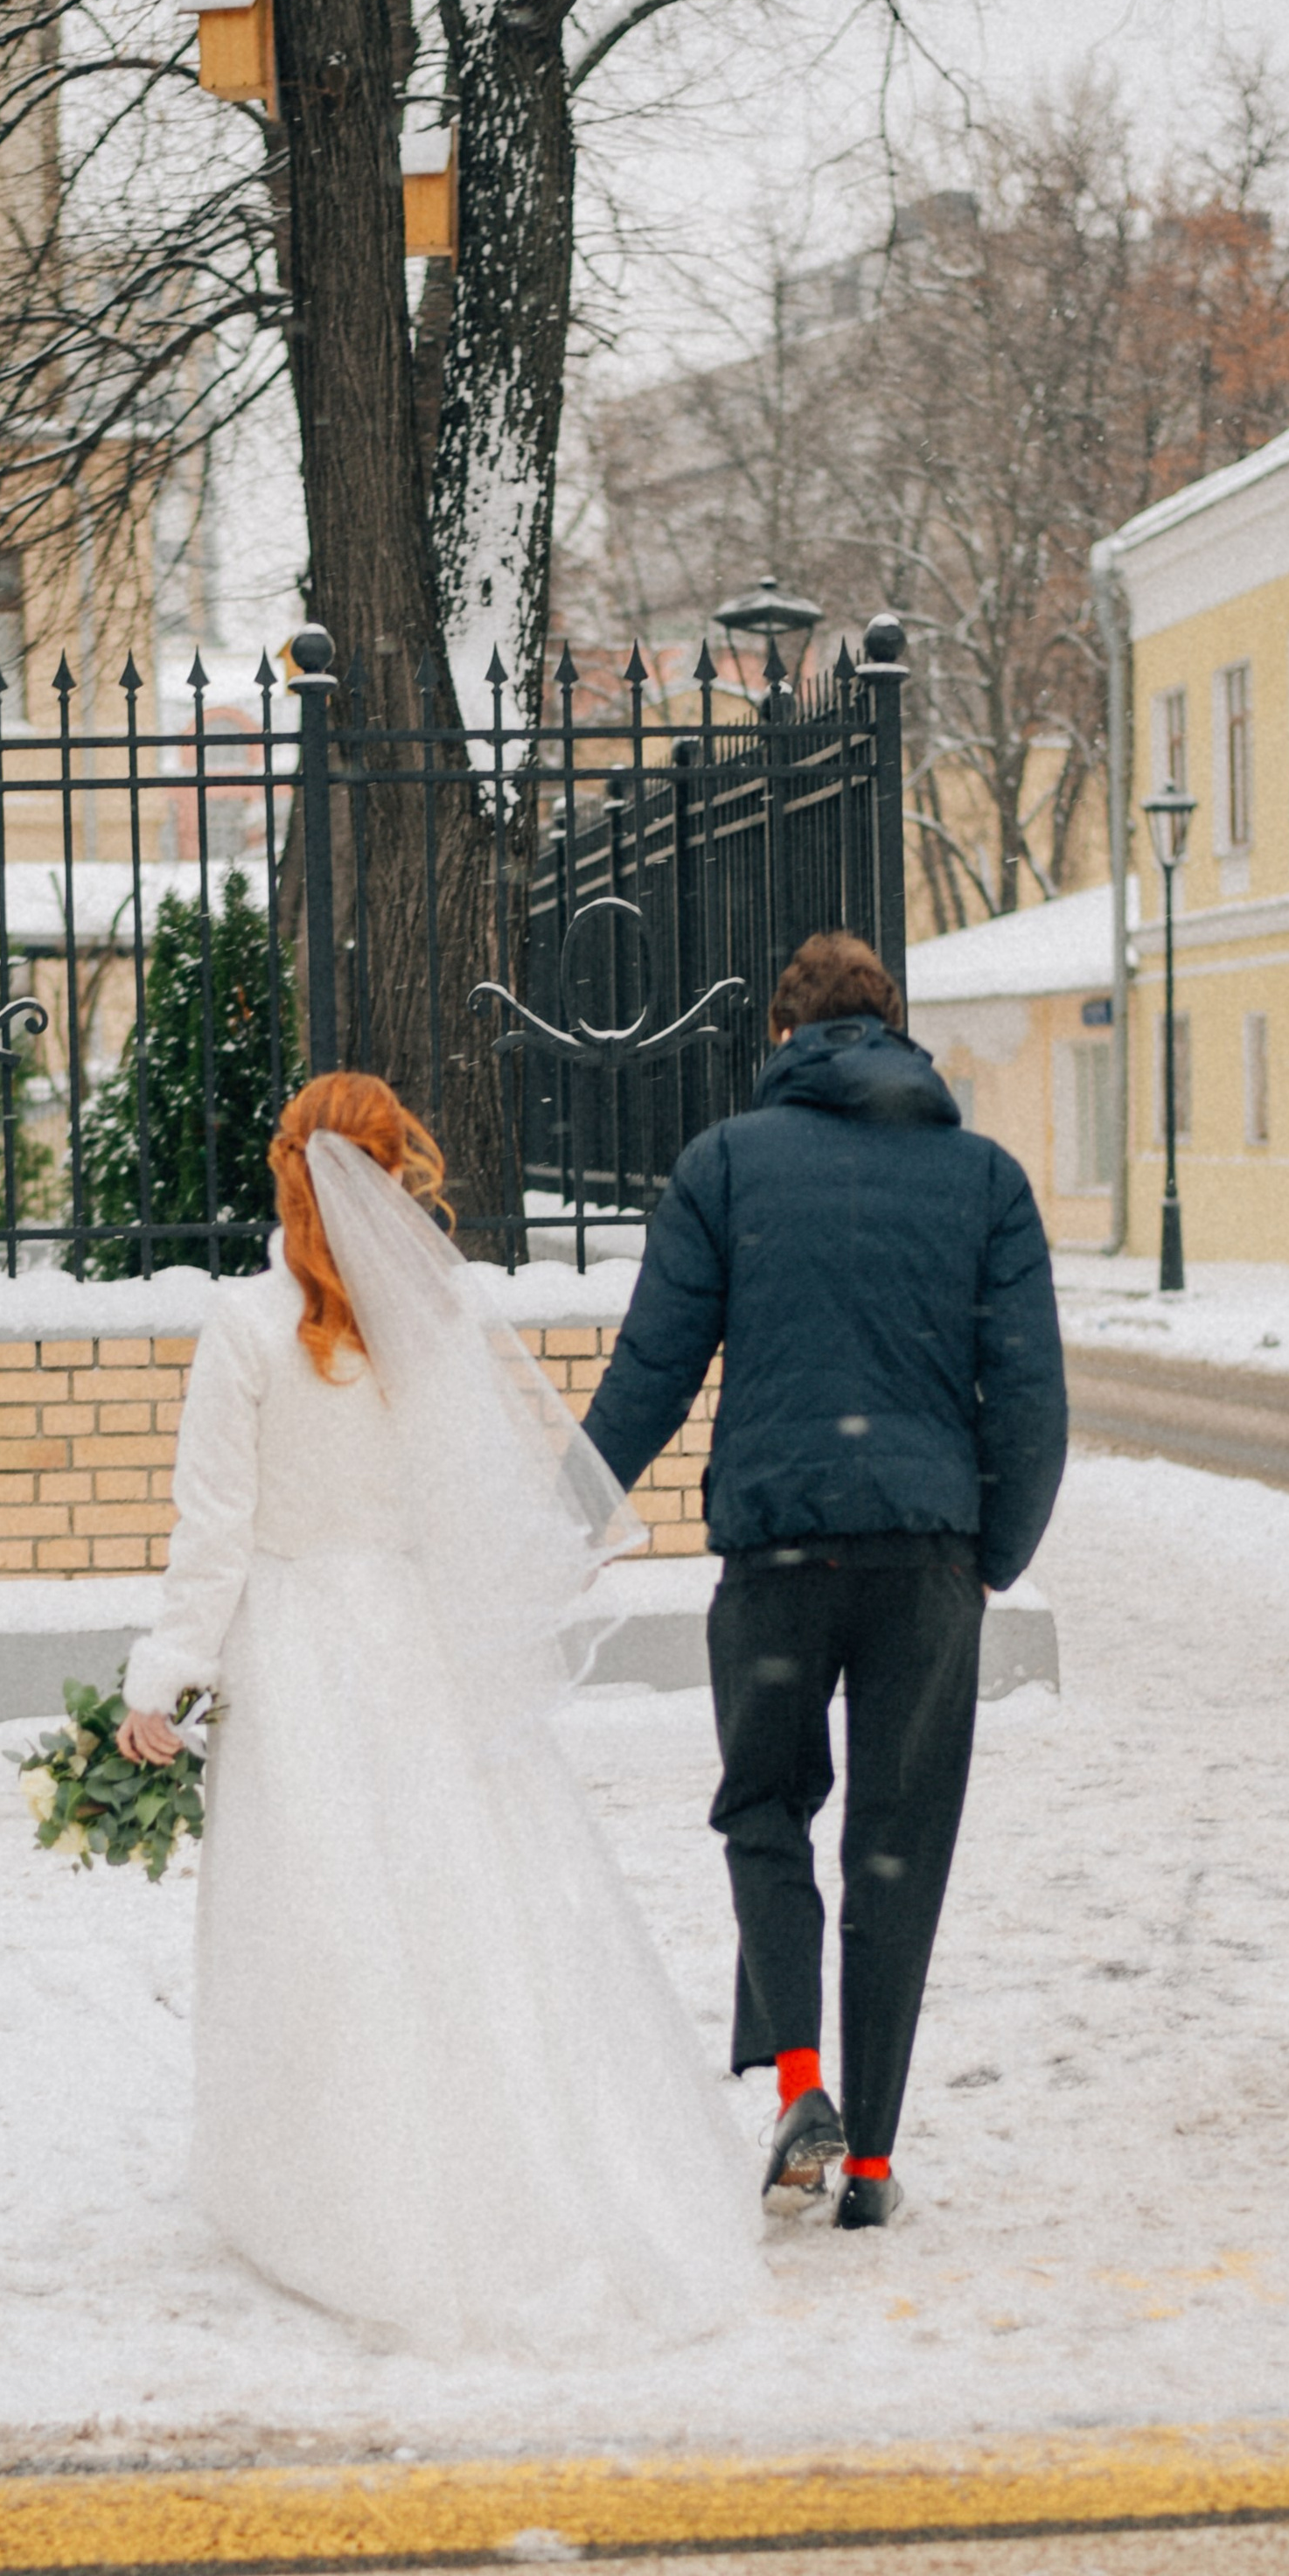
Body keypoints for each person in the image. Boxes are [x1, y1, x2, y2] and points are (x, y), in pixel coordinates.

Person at [116, 1070, 760, 2357]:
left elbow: (215, 1531)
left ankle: (334, 2194)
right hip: (417, 1643)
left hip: (301, 1649)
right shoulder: (437, 1321)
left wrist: (161, 1679)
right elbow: (472, 1508)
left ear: (286, 1170)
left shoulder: (245, 1328)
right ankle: (516, 2162)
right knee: (465, 1905)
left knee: (320, 1919)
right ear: (394, 1171)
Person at [581, 931, 1068, 2234]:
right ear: (896, 1030)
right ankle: (873, 2159)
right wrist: (990, 1557)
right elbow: (1030, 1397)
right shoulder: (986, 1178)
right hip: (926, 1562)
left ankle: (802, 2085)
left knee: (766, 1807)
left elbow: (653, 1369)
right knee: (898, 1847)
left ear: (783, 1037)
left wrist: (557, 1515)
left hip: (777, 1553)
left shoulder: (726, 1165)